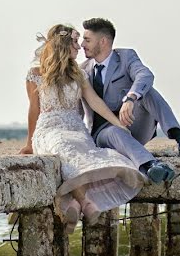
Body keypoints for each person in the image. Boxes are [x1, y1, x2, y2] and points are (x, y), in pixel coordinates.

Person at [19, 24, 144, 232]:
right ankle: (86, 203)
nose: (79, 48)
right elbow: (34, 110)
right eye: (75, 43)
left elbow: (95, 102)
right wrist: (29, 143)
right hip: (49, 128)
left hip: (76, 128)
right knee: (65, 147)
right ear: (63, 45)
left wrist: (118, 124)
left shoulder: (77, 73)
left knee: (84, 152)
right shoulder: (35, 74)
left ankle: (77, 205)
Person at [80, 17, 180, 183]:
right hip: (104, 135)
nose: (82, 45)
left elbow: (145, 74)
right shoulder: (82, 70)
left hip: (134, 126)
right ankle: (150, 166)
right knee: (115, 131)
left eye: (87, 40)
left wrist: (131, 98)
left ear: (103, 41)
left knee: (148, 91)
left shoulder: (126, 57)